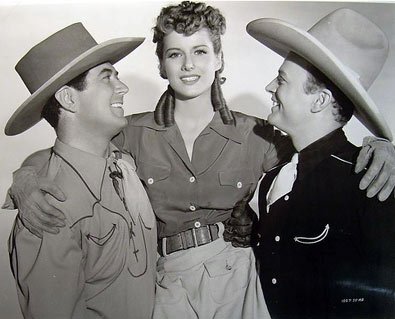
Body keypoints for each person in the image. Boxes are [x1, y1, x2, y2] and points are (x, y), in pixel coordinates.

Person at [4, 2, 395, 319]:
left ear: (219, 59)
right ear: (161, 64)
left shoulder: (259, 134)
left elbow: (322, 150)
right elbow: (71, 152)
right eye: (175, 54)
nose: (188, 65)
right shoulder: (129, 132)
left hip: (237, 282)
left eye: (201, 52)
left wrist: (380, 147)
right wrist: (24, 177)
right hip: (165, 286)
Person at [247, 8, 395, 318]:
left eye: (282, 80)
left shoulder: (371, 179)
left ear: (320, 100)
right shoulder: (273, 175)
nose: (270, 88)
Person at [5, 23, 157, 318]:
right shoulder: (48, 207)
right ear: (68, 99)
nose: (122, 87)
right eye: (106, 77)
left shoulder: (126, 168)